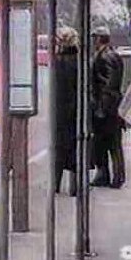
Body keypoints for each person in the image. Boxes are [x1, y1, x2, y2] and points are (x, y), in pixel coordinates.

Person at [89, 25, 125, 188]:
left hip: (106, 107)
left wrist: (101, 108)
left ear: (98, 39)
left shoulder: (104, 57)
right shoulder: (114, 55)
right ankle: (116, 176)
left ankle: (109, 175)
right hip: (113, 105)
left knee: (104, 143)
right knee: (114, 144)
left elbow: (108, 84)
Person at [54, 26, 79, 196]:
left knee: (59, 149)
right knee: (74, 149)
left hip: (60, 110)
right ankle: (74, 187)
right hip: (75, 109)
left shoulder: (57, 62)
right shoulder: (78, 61)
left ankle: (56, 184)